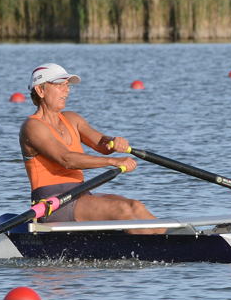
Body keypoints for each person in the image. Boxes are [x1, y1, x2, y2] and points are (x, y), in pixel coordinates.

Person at [20, 63, 160, 232]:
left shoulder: (71, 118)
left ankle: (173, 240)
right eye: (59, 85)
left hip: (81, 194)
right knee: (124, 210)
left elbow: (101, 143)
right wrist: (112, 161)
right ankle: (162, 250)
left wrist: (113, 141)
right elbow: (67, 159)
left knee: (135, 206)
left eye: (67, 85)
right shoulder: (32, 126)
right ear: (40, 91)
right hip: (52, 204)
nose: (67, 90)